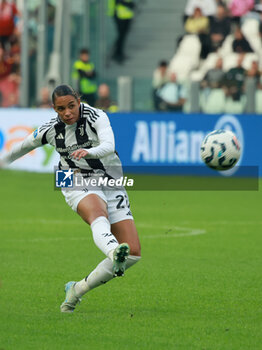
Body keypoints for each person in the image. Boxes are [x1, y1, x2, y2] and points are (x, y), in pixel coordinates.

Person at [0, 84, 141, 313]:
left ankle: (76, 289)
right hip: (70, 176)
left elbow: (109, 145)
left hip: (111, 178)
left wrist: (89, 152)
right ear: (54, 109)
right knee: (97, 212)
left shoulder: (97, 116)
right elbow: (21, 147)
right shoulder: (50, 129)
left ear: (79, 100)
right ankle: (113, 250)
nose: (67, 112)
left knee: (133, 253)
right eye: (60, 108)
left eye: (71, 106)